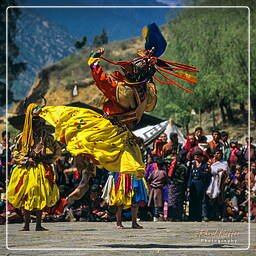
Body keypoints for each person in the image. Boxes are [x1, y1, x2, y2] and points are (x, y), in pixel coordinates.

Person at [7, 103, 61, 231]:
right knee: (25, 196)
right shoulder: (22, 137)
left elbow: (57, 151)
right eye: (36, 121)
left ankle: (38, 224)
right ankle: (26, 225)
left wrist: (47, 158)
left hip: (41, 169)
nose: (39, 124)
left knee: (40, 196)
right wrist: (26, 159)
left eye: (41, 121)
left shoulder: (47, 137)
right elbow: (15, 152)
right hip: (25, 170)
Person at [187, 150, 210, 222]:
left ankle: (203, 215)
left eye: (198, 156)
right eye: (195, 156)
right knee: (193, 200)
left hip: (201, 183)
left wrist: (199, 172)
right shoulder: (192, 164)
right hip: (193, 182)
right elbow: (190, 175)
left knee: (203, 200)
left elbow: (206, 174)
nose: (197, 158)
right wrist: (188, 185)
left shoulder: (204, 165)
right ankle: (193, 216)